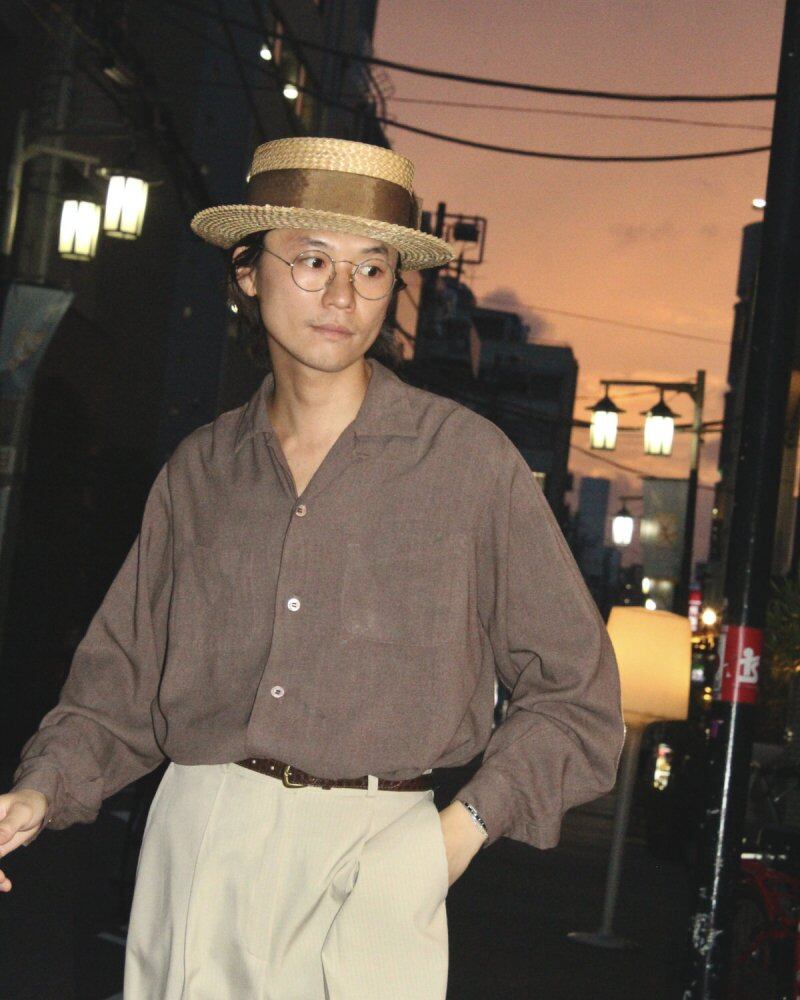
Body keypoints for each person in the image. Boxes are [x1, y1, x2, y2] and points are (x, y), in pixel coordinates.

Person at [0, 136, 625, 998]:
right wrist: (36, 795)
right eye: (312, 260)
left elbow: (577, 697)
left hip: (382, 855)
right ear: (247, 272)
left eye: (372, 269)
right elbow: (121, 689)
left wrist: (451, 838)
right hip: (200, 842)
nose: (342, 295)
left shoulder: (468, 464)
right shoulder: (200, 470)